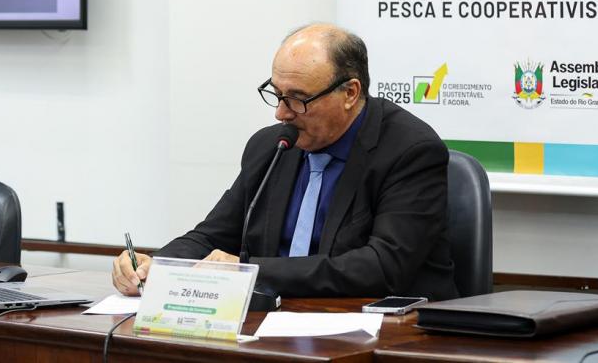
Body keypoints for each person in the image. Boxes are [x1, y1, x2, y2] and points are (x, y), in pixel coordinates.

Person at [111, 23, 458, 301]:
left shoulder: (410, 151)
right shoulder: (272, 146)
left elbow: (382, 267)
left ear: (350, 93)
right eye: (277, 93)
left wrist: (250, 271)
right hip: (275, 324)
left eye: (298, 99)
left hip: (387, 333)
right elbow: (213, 235)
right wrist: (157, 265)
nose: (281, 113)